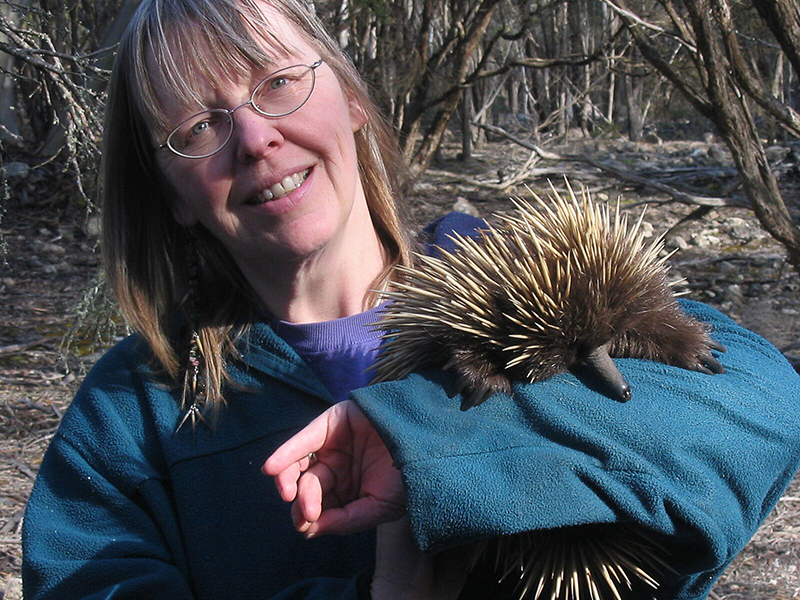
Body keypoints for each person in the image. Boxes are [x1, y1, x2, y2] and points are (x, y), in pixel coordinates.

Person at [20, 0, 800, 599]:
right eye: (197, 126)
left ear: (352, 101)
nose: (256, 138)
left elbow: (763, 408)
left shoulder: (520, 269)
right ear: (172, 196)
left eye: (280, 82)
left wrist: (426, 441)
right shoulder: (130, 421)